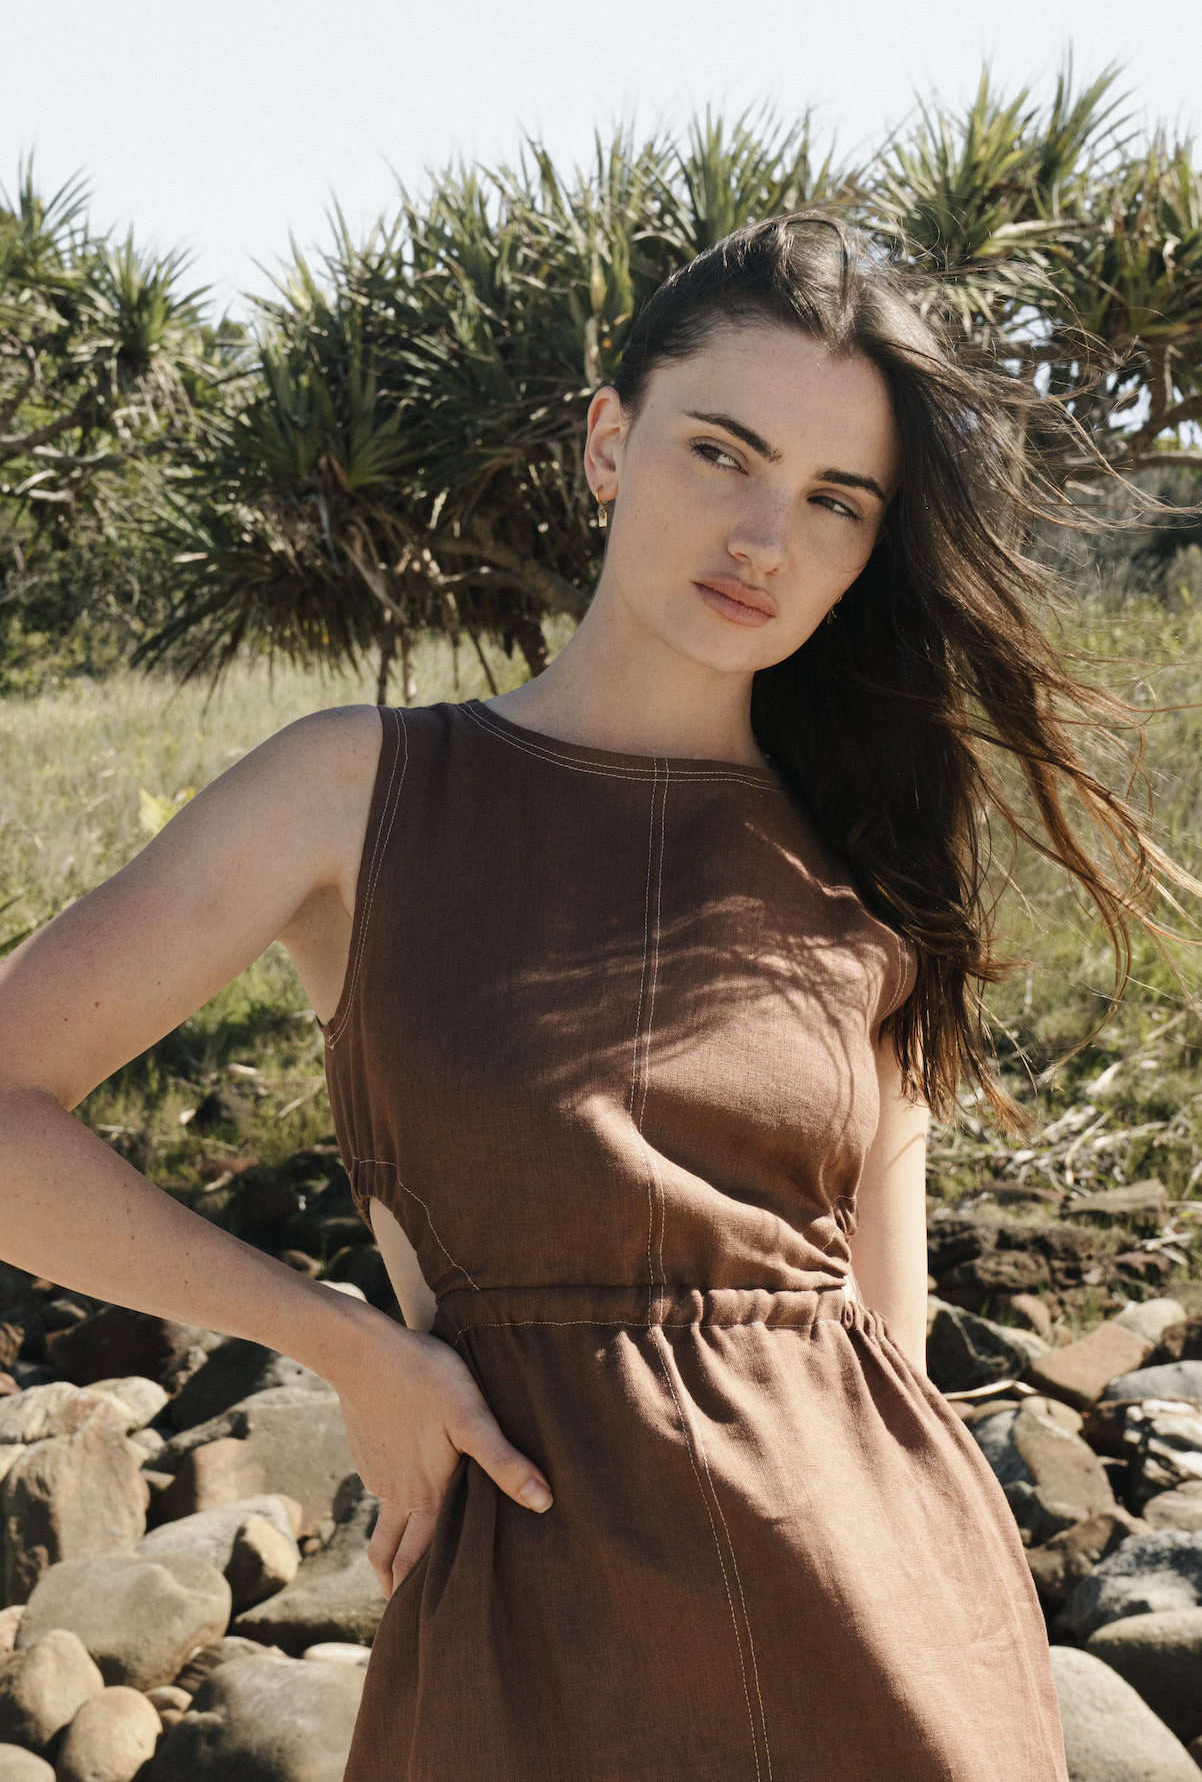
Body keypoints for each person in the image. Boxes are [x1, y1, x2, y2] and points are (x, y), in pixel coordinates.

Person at [3, 215, 1184, 1781]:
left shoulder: (869, 861)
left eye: (834, 501)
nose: (765, 537)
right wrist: (346, 1342)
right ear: (608, 441)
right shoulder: (357, 792)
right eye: (722, 453)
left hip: (880, 1627)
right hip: (531, 1639)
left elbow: (883, 1354)